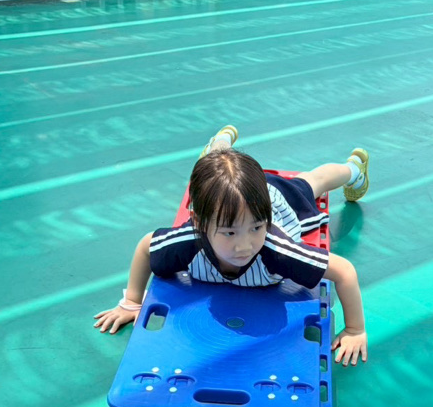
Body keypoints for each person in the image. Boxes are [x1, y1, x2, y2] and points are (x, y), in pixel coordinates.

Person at [94, 126, 369, 366]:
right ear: (201, 224)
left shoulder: (277, 250)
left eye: (256, 229)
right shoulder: (189, 242)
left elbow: (344, 271)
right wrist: (131, 302)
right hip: (229, 197)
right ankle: (218, 146)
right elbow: (146, 247)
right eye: (229, 233)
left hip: (276, 199)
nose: (244, 245)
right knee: (213, 168)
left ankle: (354, 169)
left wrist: (355, 330)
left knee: (313, 181)